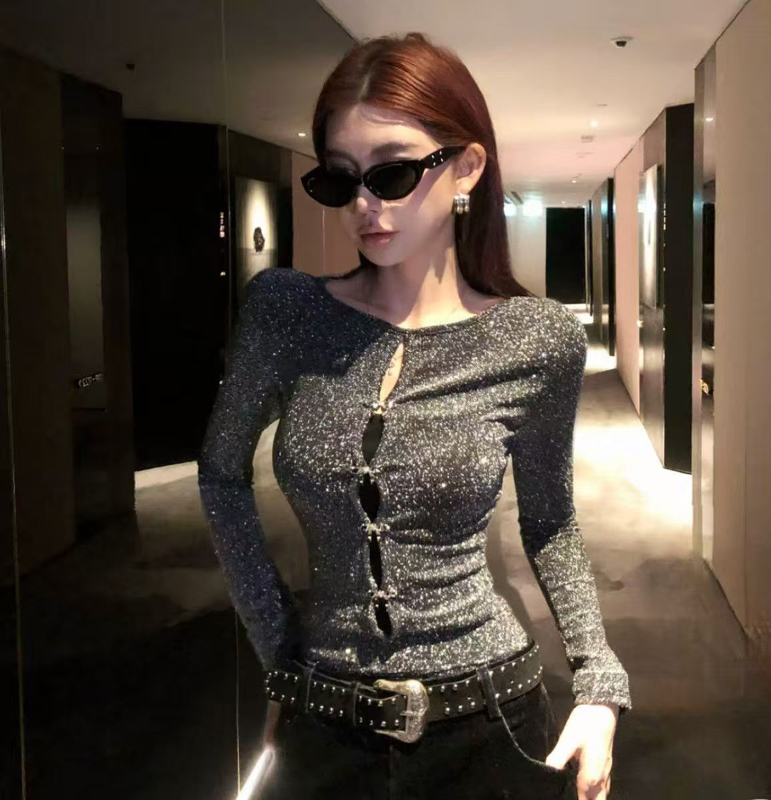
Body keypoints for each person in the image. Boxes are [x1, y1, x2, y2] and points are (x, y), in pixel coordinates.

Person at [197, 31, 632, 800]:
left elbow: (550, 519)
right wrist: (279, 649)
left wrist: (597, 681)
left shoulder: (535, 339)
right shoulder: (287, 313)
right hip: (325, 722)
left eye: (392, 173)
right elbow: (221, 472)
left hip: (488, 719)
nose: (365, 205)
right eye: (340, 180)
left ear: (466, 167)